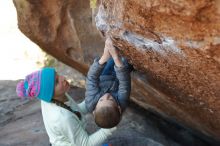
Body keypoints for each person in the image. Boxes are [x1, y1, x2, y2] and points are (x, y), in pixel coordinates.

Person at [16, 67, 116, 146]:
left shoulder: (55, 96)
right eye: (56, 82)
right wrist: (110, 127)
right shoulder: (62, 118)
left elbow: (76, 111)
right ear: (50, 94)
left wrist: (93, 99)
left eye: (57, 75)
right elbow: (85, 144)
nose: (62, 78)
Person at [85, 37, 132, 128]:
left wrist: (105, 55)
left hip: (104, 74)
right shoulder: (122, 102)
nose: (106, 95)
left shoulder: (91, 102)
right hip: (119, 78)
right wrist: (116, 57)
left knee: (111, 56)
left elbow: (91, 78)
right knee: (126, 60)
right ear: (119, 108)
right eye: (111, 99)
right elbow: (124, 83)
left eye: (101, 100)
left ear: (94, 110)